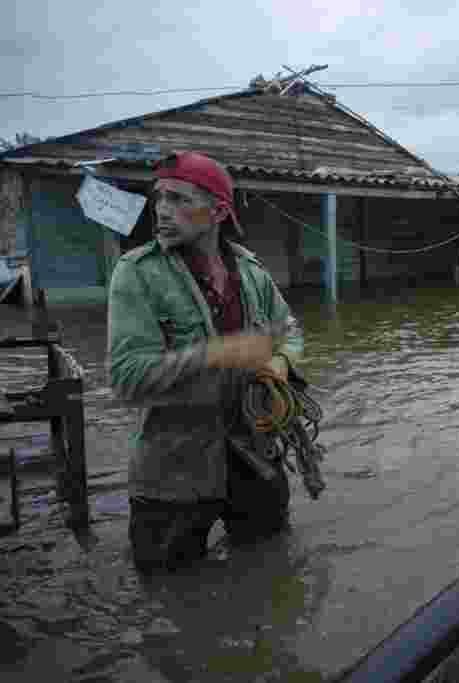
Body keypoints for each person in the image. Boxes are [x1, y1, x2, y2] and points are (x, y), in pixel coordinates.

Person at [107, 151, 304, 573]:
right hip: (173, 473)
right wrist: (220, 353)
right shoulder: (136, 273)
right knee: (167, 593)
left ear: (217, 211)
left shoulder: (252, 272)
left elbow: (290, 330)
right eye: (159, 198)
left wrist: (282, 362)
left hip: (254, 455)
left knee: (269, 569)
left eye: (179, 199)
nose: (161, 210)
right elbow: (126, 378)